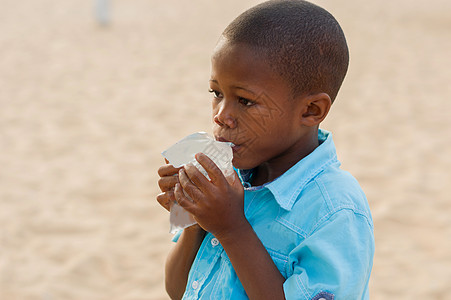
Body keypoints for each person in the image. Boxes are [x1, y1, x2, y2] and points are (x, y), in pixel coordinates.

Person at [157, 0, 374, 299]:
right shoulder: (229, 180)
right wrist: (194, 217)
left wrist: (231, 227)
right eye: (217, 93)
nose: (221, 114)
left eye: (245, 101)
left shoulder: (335, 211)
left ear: (311, 110)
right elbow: (178, 290)